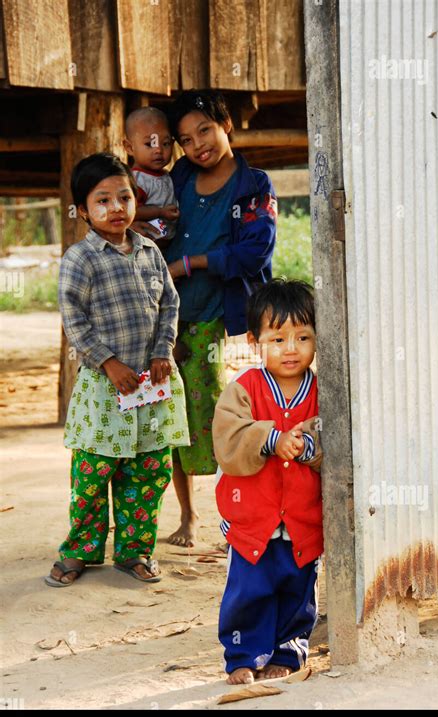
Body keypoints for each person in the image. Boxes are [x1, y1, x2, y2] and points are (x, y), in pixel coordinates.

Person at [132, 89, 277, 547]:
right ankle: (189, 517)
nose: (198, 145)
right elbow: (144, 226)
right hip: (168, 319)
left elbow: (256, 250)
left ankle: (242, 512)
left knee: (221, 415)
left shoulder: (254, 185)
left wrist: (191, 263)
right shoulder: (177, 180)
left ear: (226, 125)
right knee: (170, 415)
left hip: (222, 321)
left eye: (205, 131)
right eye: (186, 139)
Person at [45, 152, 189, 587]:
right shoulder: (80, 259)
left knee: (147, 472)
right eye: (102, 200)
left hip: (150, 387)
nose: (116, 208)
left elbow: (169, 304)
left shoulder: (149, 251)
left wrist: (164, 349)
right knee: (93, 474)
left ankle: (135, 551)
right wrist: (108, 364)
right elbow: (74, 320)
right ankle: (80, 551)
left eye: (123, 196)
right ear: (84, 211)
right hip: (105, 392)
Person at [212, 279, 323, 684]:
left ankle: (288, 651)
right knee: (248, 589)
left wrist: (309, 444)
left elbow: (336, 434)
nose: (290, 348)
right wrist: (271, 439)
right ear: (255, 341)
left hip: (302, 517)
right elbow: (228, 438)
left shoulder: (325, 390)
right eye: (277, 338)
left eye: (303, 336)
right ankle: (242, 654)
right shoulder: (243, 389)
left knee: (298, 589)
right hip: (252, 518)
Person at [123, 107, 179, 241]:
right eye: (149, 144)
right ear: (130, 148)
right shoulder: (137, 180)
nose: (158, 150)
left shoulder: (167, 175)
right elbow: (130, 211)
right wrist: (160, 212)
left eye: (165, 143)